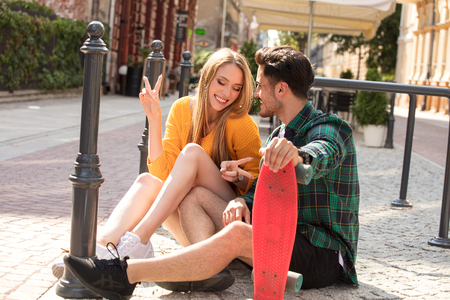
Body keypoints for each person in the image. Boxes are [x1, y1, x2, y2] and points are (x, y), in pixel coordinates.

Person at [64, 45, 360, 299]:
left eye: (257, 85)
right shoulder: (278, 134)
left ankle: (123, 272)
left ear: (280, 89)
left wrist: (300, 155)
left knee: (237, 234)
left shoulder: (330, 127)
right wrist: (241, 201)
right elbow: (259, 193)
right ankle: (197, 268)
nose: (255, 94)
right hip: (279, 232)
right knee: (193, 197)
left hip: (323, 251)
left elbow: (325, 151)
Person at [53, 48, 262, 289]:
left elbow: (258, 189)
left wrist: (238, 180)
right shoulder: (183, 108)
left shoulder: (240, 122)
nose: (227, 93)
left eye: (236, 88)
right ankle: (103, 247)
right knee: (147, 181)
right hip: (194, 225)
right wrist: (154, 118)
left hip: (224, 220)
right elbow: (161, 174)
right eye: (221, 82)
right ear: (207, 78)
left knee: (192, 153)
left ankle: (136, 243)